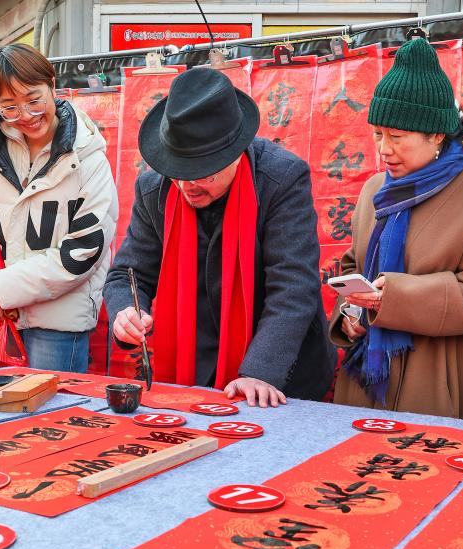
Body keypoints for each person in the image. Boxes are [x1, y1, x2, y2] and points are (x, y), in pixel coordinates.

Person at [105, 67, 336, 407]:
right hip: (191, 369)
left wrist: (260, 371)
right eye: (178, 172)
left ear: (235, 154)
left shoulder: (281, 179)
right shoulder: (155, 188)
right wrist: (126, 312)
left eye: (203, 174)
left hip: (277, 374)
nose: (188, 186)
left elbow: (293, 286)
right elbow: (128, 274)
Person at [328, 38, 463, 422]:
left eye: (397, 137)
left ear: (437, 135)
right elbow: (354, 266)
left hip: (440, 376)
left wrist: (393, 298)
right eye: (378, 134)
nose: (384, 149)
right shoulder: (374, 189)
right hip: (365, 378)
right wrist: (350, 314)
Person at [0, 43, 117, 373]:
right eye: (10, 107)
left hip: (58, 326)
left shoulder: (88, 158)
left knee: (54, 405)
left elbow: (84, 249)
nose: (26, 115)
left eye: (34, 100)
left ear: (52, 85)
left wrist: (3, 289)